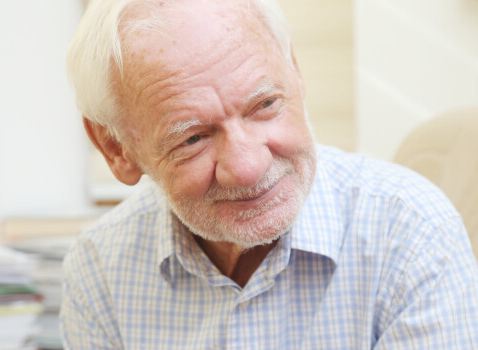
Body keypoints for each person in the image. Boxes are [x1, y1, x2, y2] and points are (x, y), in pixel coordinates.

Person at [60, 0, 478, 348]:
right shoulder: (100, 270)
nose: (248, 168)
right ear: (116, 148)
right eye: (193, 139)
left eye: (264, 105)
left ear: (294, 70)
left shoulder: (412, 234)